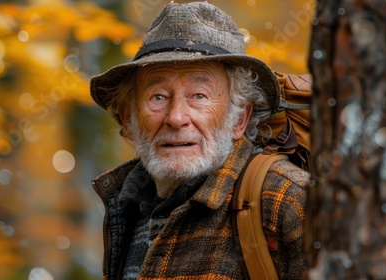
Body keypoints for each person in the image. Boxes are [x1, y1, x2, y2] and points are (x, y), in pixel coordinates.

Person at [90, 2, 310, 279]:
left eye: (199, 96)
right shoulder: (126, 209)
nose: (177, 117)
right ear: (127, 120)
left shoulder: (287, 200)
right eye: (158, 96)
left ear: (239, 118)